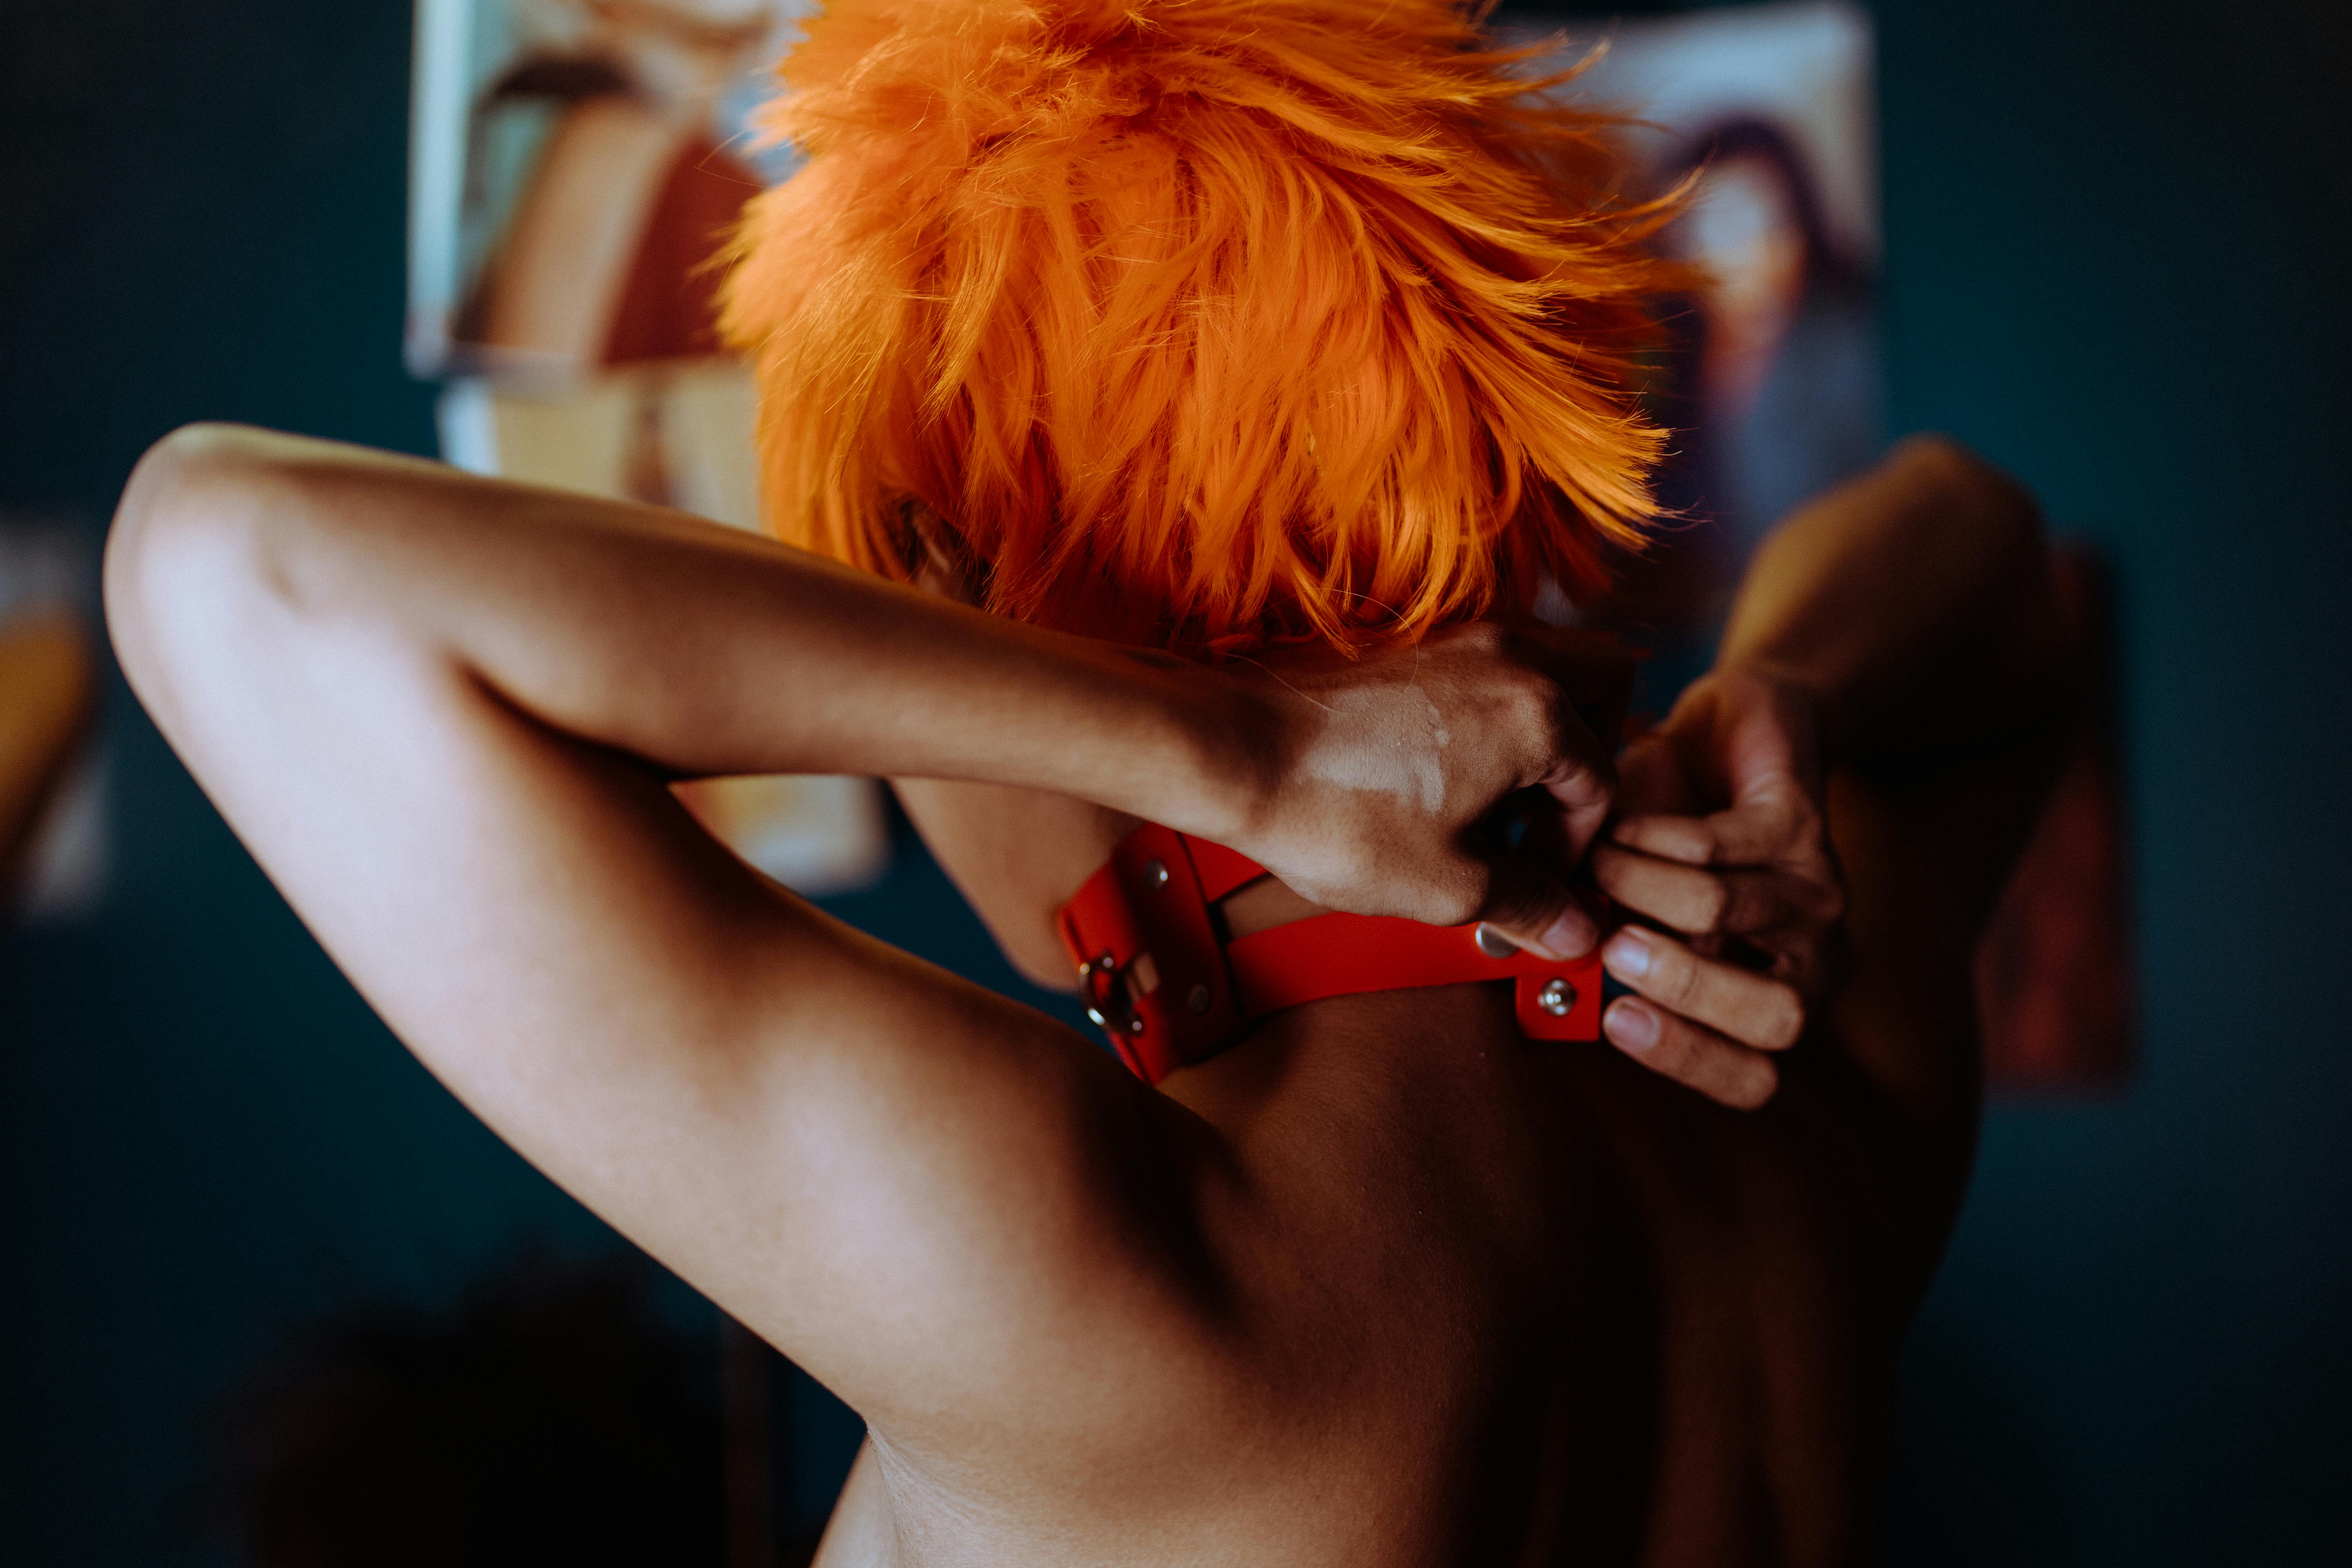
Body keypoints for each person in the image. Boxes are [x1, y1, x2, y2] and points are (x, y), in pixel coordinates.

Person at [106, 0, 2071, 1560]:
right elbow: (1987, 551)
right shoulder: (1789, 1034)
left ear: (956, 585)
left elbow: (226, 558)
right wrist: (1779, 698)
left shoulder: (1114, 1291)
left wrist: (1236, 754)